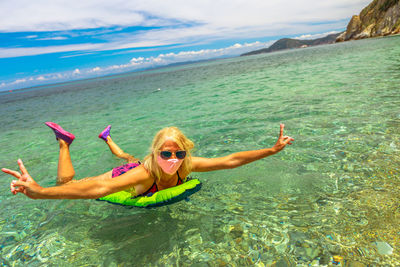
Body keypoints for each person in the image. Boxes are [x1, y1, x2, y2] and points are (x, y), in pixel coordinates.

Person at [2, 122, 294, 200]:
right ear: (156, 153)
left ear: (186, 153)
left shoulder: (187, 164)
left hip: (137, 164)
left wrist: (271, 150)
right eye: (165, 153)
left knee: (127, 156)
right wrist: (40, 193)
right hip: (128, 173)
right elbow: (96, 191)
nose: (173, 159)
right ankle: (65, 142)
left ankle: (104, 139)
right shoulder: (144, 174)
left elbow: (230, 160)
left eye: (178, 153)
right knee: (67, 183)